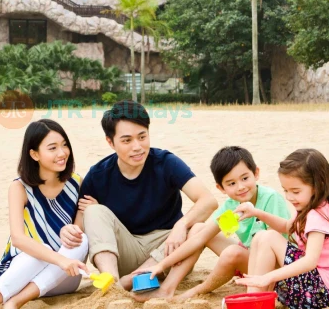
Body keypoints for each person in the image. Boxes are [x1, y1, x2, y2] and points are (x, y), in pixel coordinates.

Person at [60, 100, 217, 290]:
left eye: (142, 137)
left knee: (198, 228)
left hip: (168, 252)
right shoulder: (98, 175)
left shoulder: (166, 163)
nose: (137, 147)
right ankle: (112, 280)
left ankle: (129, 281)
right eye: (127, 140)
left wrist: (181, 225)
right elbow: (80, 227)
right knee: (93, 211)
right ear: (110, 142)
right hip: (125, 252)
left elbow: (208, 201)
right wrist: (70, 230)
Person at [0, 120, 88, 309]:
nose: (62, 153)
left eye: (64, 145)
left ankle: (16, 301)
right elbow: (18, 239)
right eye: (52, 148)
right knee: (37, 250)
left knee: (81, 240)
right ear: (34, 154)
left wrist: (84, 211)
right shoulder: (19, 187)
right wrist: (60, 260)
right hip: (23, 273)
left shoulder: (76, 182)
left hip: (61, 278)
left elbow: (77, 231)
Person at [132, 146, 294, 301]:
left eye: (245, 178)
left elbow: (272, 247)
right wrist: (162, 265)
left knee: (233, 252)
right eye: (231, 183)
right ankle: (168, 288)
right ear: (221, 188)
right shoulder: (232, 207)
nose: (241, 187)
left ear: (256, 173)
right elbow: (201, 238)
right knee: (199, 229)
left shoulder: (270, 198)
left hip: (276, 268)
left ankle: (198, 291)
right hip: (250, 260)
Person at [235, 149, 329, 309]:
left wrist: (269, 277)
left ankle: (254, 302)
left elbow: (310, 261)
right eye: (286, 190)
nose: (289, 197)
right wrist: (257, 213)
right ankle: (253, 296)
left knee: (268, 237)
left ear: (318, 186)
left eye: (295, 191)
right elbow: (287, 227)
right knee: (261, 236)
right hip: (320, 288)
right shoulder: (308, 208)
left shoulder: (318, 215)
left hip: (327, 294)